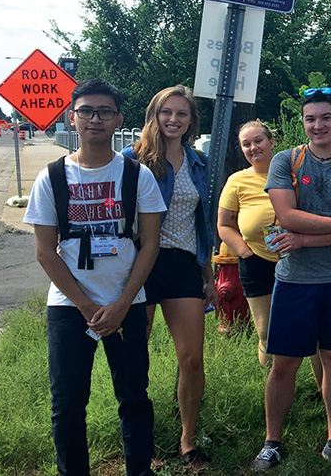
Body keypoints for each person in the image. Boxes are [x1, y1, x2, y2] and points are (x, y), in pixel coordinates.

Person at [24, 79, 167, 476]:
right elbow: (44, 252)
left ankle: (139, 470)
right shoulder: (51, 178)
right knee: (67, 402)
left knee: (134, 396)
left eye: (105, 112)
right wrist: (88, 307)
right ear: (72, 118)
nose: (95, 119)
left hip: (128, 304)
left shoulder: (137, 176)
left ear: (118, 119)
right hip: (70, 308)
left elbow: (151, 245)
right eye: (86, 111)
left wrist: (121, 306)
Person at [252, 87, 331, 470]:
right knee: (284, 363)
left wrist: (305, 238)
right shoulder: (286, 161)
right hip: (294, 281)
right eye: (310, 118)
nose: (317, 125)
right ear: (303, 123)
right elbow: (287, 216)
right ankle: (272, 441)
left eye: (326, 117)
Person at [122, 85, 217, 469]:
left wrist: (208, 274)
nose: (174, 119)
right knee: (134, 358)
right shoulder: (131, 160)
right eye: (167, 112)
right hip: (139, 265)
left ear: (192, 120)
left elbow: (203, 224)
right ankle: (138, 443)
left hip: (182, 266)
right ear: (154, 115)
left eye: (182, 113)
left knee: (193, 359)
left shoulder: (199, 163)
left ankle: (187, 441)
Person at [217, 120, 326, 387]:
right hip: (257, 262)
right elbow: (223, 224)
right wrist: (244, 252)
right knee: (266, 332)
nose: (253, 147)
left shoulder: (295, 173)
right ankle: (272, 389)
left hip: (299, 259)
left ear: (271, 142)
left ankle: (322, 389)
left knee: (312, 330)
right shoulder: (237, 181)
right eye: (246, 144)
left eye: (258, 141)